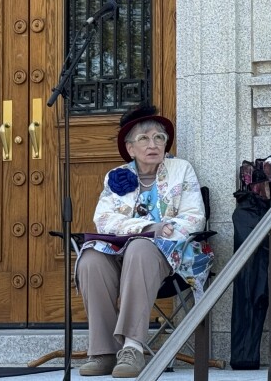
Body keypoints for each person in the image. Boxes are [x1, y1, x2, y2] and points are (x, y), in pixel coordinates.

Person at [75, 105, 212, 378]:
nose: (154, 144)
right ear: (130, 148)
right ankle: (103, 352)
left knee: (140, 247)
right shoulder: (117, 176)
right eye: (144, 139)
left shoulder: (180, 169)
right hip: (122, 250)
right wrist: (148, 227)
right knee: (90, 260)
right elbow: (103, 219)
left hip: (171, 254)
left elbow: (195, 217)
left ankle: (132, 347)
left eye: (159, 138)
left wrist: (161, 233)